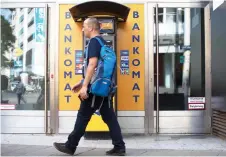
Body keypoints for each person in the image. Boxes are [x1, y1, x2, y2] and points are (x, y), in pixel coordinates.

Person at [53, 17, 126, 156]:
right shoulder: (103, 42)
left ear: (91, 28)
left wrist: (85, 86)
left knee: (83, 115)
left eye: (84, 26)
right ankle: (119, 147)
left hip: (94, 89)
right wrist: (81, 82)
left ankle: (70, 146)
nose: (82, 29)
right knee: (109, 117)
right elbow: (97, 68)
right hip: (104, 87)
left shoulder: (93, 42)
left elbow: (92, 65)